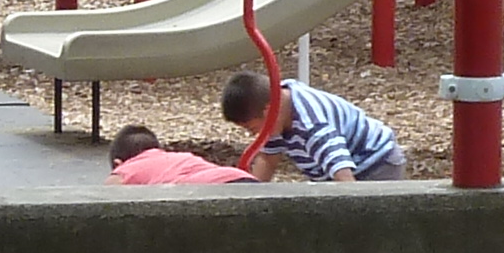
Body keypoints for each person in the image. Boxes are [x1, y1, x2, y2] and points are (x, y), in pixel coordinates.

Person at [218, 64, 404, 181]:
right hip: (338, 169)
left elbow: (345, 179)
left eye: (252, 129)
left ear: (268, 111)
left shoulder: (312, 127)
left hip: (374, 162)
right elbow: (268, 159)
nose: (254, 136)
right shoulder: (279, 110)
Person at [109, 122, 254, 185]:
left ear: (118, 163)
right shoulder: (178, 158)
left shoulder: (126, 169)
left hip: (209, 192)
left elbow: (105, 203)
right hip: (244, 180)